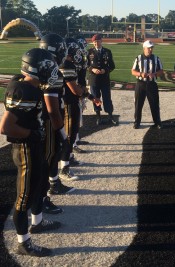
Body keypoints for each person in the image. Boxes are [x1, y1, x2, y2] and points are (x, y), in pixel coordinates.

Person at [0, 48, 61, 257]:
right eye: (48, 66)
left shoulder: (31, 87)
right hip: (25, 149)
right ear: (36, 68)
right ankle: (23, 243)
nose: (52, 69)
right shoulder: (24, 89)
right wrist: (32, 134)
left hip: (34, 146)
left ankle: (38, 222)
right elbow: (6, 127)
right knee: (23, 197)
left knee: (40, 185)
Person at [39, 33, 75, 209]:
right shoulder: (51, 71)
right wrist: (62, 133)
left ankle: (52, 185)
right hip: (47, 121)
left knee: (47, 157)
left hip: (39, 120)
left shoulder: (41, 66)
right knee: (48, 156)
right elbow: (52, 109)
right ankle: (43, 198)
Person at [60, 37, 101, 181]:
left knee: (73, 132)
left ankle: (68, 158)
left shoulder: (71, 64)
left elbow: (80, 87)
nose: (80, 53)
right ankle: (64, 168)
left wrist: (89, 97)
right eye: (77, 50)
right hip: (67, 103)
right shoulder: (66, 65)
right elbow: (76, 90)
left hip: (71, 101)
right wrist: (89, 97)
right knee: (69, 135)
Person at [131, 40, 164, 129]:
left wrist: (155, 74)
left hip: (152, 84)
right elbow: (133, 71)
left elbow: (161, 71)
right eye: (148, 48)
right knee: (138, 104)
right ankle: (137, 122)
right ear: (144, 48)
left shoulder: (156, 58)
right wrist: (141, 74)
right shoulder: (138, 58)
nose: (150, 49)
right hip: (141, 83)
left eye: (151, 48)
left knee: (154, 104)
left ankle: (157, 122)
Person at [87, 33, 116, 125]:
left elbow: (112, 66)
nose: (96, 43)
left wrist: (105, 70)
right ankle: (98, 117)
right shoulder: (89, 52)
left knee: (107, 98)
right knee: (96, 97)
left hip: (104, 79)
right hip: (94, 80)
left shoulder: (107, 51)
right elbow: (86, 65)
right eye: (94, 42)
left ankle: (110, 116)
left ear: (101, 41)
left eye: (97, 41)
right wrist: (92, 69)